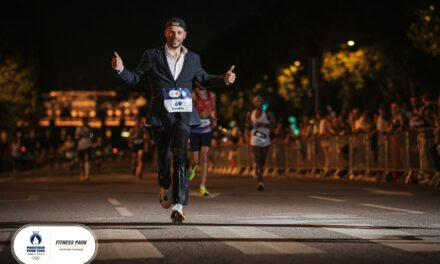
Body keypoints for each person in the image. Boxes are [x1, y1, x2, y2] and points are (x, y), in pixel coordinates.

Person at [112, 17, 236, 223]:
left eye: (179, 32)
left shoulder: (193, 58)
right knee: (164, 156)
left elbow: (204, 78)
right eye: (171, 32)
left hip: (183, 114)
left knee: (180, 154)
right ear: (165, 33)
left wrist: (223, 79)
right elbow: (135, 78)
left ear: (185, 35)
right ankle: (165, 182)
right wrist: (121, 70)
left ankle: (179, 205)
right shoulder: (152, 56)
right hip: (160, 114)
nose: (175, 36)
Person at [189, 81, 217, 196]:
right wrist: (199, 114)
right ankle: (194, 167)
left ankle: (203, 186)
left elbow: (213, 109)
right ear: (196, 82)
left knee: (205, 156)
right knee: (196, 160)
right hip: (194, 130)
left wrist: (215, 119)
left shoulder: (212, 95)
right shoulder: (193, 94)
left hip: (207, 130)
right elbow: (188, 110)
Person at [246, 95, 276, 191]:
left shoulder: (268, 114)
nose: (259, 103)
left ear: (263, 103)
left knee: (262, 161)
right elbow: (247, 125)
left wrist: (264, 124)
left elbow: (274, 124)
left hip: (265, 139)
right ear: (254, 103)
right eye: (257, 101)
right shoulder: (250, 113)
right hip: (254, 140)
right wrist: (250, 125)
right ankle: (260, 182)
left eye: (260, 101)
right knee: (258, 159)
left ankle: (257, 169)